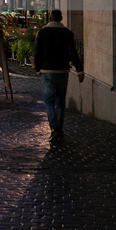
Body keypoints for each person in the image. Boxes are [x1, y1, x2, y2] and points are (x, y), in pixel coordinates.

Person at [33, 9, 84, 142]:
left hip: (47, 71)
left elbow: (37, 51)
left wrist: (37, 69)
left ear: (50, 17)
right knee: (60, 101)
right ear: (61, 18)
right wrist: (79, 70)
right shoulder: (67, 33)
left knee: (49, 101)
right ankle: (59, 128)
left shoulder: (42, 32)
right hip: (62, 71)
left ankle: (54, 128)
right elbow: (73, 52)